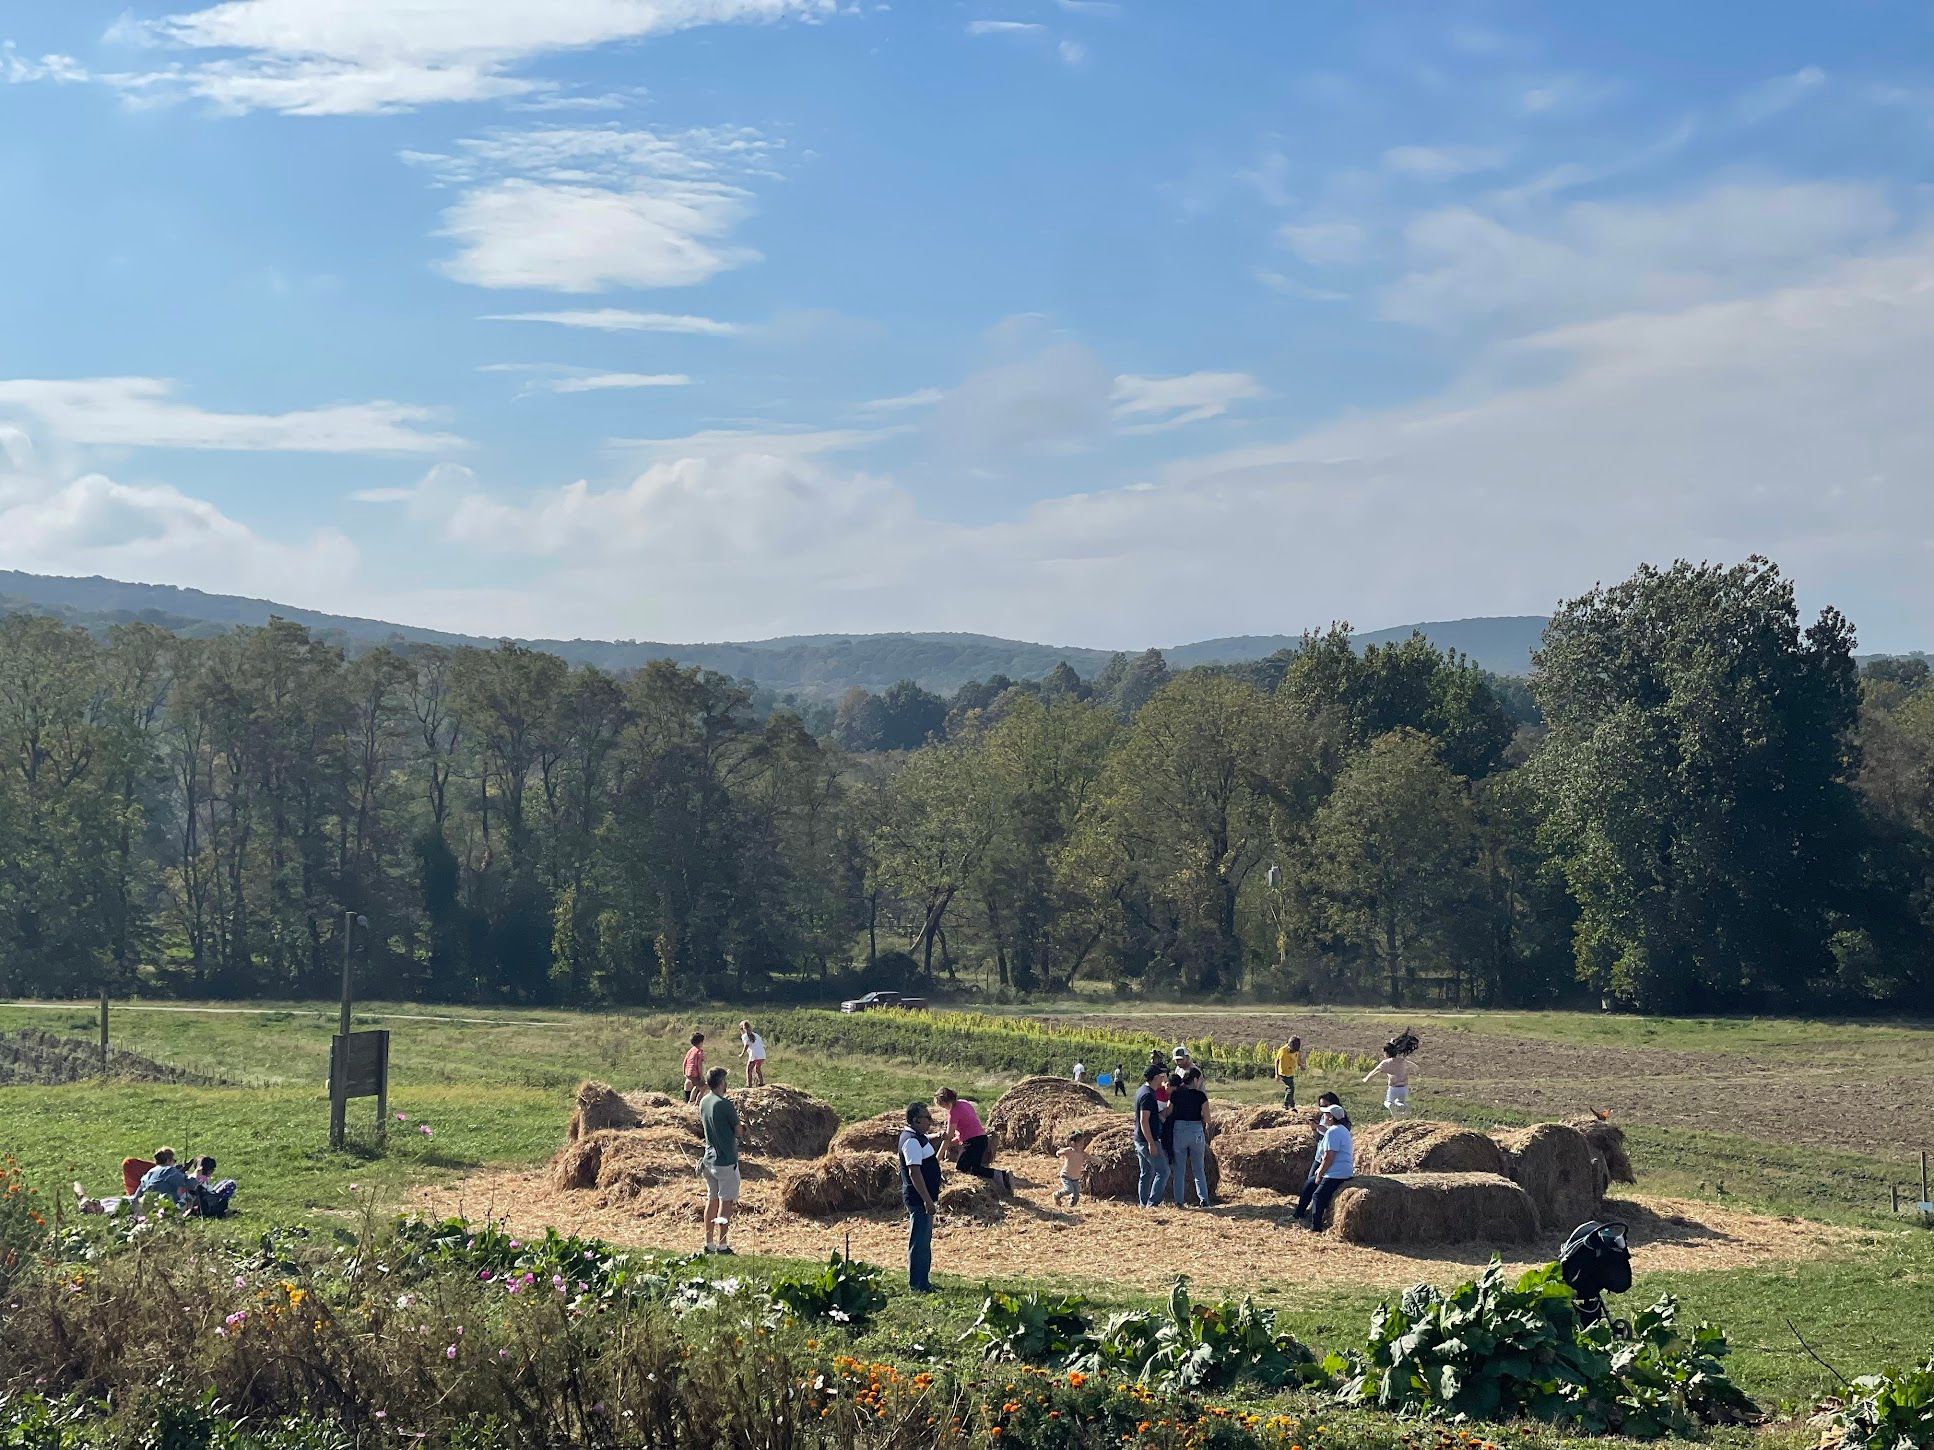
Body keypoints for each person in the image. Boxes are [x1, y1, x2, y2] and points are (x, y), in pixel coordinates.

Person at [898, 1101, 943, 1292]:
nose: (930, 1122)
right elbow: (914, 1172)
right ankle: (918, 1284)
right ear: (916, 1120)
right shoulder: (911, 1141)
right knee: (920, 1243)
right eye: (927, 1118)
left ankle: (922, 1281)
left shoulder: (917, 1137)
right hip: (919, 1200)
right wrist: (926, 1200)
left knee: (924, 1241)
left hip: (924, 1198)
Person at [933, 1088, 1012, 1193]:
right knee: (975, 1169)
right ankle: (1002, 1180)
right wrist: (951, 1144)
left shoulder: (953, 1113)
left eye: (942, 1105)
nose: (943, 1108)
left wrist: (936, 1159)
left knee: (961, 1168)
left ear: (945, 1102)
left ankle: (1001, 1175)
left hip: (973, 1142)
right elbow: (967, 1130)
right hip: (982, 1139)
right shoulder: (964, 1103)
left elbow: (948, 1137)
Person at [1292, 1102, 1354, 1231]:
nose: (1323, 1116)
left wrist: (1320, 1173)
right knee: (1309, 1185)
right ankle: (1298, 1214)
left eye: (1325, 1114)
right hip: (1341, 1170)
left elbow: (1328, 1157)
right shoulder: (1341, 1129)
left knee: (1318, 1196)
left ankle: (1316, 1226)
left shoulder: (1333, 1132)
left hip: (1336, 1173)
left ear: (1331, 1117)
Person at [698, 1067, 740, 1255]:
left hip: (709, 1160)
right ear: (721, 1082)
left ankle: (709, 1242)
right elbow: (738, 1131)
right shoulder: (725, 1104)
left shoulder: (704, 1101)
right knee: (726, 1202)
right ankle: (723, 1245)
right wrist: (744, 1129)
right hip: (725, 1161)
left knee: (712, 1200)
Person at [1167, 1065, 1212, 1208]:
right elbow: (1208, 1119)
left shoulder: (1176, 1094)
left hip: (1179, 1131)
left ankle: (1179, 1201)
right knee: (1198, 1168)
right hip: (1196, 1131)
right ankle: (1203, 1199)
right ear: (1195, 1079)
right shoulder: (1201, 1096)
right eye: (1200, 1079)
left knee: (1179, 1169)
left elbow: (1169, 1112)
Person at [1133, 1064, 1170, 1208]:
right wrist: (1151, 1143)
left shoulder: (1142, 1091)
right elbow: (1144, 1120)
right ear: (1155, 1078)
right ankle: (1152, 1204)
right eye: (1161, 1077)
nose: (1163, 1079)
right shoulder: (1148, 1096)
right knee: (1163, 1171)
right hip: (1146, 1140)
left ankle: (1143, 1203)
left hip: (1139, 1138)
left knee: (1146, 1172)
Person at [1364, 1042, 1418, 1114]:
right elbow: (1415, 1066)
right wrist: (1416, 1072)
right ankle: (1403, 1106)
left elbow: (1375, 1071)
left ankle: (1391, 1106)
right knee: (1400, 1102)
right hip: (1403, 1088)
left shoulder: (1386, 1063)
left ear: (1387, 1053)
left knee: (1387, 1102)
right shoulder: (1402, 1061)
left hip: (1393, 1088)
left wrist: (1366, 1079)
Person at [1053, 1128, 1094, 1208]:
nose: (1082, 1145)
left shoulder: (1083, 1154)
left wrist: (1099, 1160)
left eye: (1083, 1143)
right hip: (1066, 1176)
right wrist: (1059, 1153)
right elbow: (1059, 1152)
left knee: (1076, 1197)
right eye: (1080, 1143)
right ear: (1073, 1144)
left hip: (1075, 1178)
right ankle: (1056, 1195)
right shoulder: (1069, 1151)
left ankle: (1070, 1207)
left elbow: (1091, 1158)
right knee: (1068, 1190)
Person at [1274, 1036, 1304, 1109]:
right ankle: (1286, 1104)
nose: (1293, 1052)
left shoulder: (1296, 1051)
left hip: (1291, 1072)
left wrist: (1301, 1065)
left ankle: (1291, 1104)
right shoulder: (1282, 1051)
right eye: (1292, 1050)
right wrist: (1277, 1074)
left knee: (1290, 1088)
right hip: (1283, 1072)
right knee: (1290, 1088)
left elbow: (1297, 1059)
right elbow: (1277, 1061)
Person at [738, 1020, 768, 1088]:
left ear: (742, 1029)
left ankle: (749, 1085)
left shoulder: (745, 1036)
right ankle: (761, 1083)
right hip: (762, 1055)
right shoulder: (756, 1035)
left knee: (749, 1070)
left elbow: (747, 1045)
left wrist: (742, 1054)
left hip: (754, 1055)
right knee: (757, 1069)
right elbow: (762, 1045)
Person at [682, 1032, 706, 1103]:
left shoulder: (690, 1050)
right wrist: (701, 1076)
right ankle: (694, 1102)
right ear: (701, 1042)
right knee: (702, 1087)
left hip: (688, 1072)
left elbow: (685, 1061)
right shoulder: (699, 1052)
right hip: (694, 1073)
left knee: (693, 1085)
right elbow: (699, 1065)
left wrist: (684, 1072)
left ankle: (689, 1100)